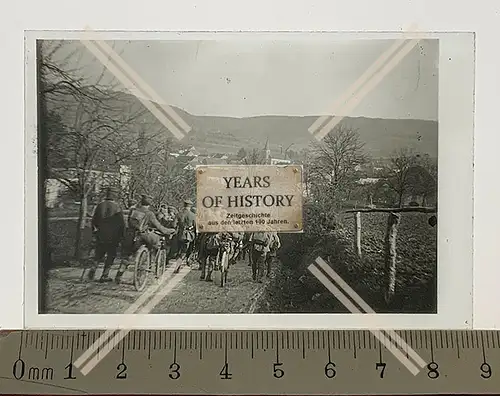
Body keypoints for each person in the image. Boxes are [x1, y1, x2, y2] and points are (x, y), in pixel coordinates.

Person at [115, 194, 176, 284]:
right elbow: (159, 227)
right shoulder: (149, 214)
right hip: (141, 236)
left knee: (126, 256)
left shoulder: (133, 210)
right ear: (149, 204)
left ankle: (119, 276)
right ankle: (148, 266)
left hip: (129, 236)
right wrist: (170, 230)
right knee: (154, 244)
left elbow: (129, 222)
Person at [88, 187, 126, 282]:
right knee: (111, 255)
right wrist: (122, 236)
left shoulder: (100, 205)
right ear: (115, 196)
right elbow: (121, 223)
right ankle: (104, 275)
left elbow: (94, 220)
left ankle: (93, 269)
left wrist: (95, 231)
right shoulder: (117, 207)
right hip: (113, 236)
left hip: (100, 234)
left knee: (99, 254)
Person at [175, 199, 196, 267]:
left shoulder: (179, 214)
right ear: (190, 206)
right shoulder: (193, 215)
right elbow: (195, 226)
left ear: (184, 205)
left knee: (179, 249)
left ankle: (179, 260)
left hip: (179, 234)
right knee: (186, 249)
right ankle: (183, 262)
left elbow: (173, 225)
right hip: (189, 235)